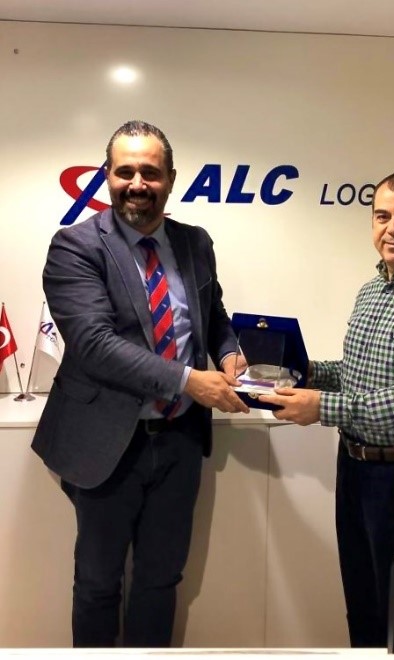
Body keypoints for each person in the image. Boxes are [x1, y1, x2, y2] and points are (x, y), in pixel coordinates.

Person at [32, 120, 249, 648]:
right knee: (98, 584)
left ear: (170, 179)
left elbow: (212, 313)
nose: (137, 184)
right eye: (125, 171)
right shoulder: (75, 246)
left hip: (178, 442)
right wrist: (188, 381)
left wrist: (228, 351)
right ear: (107, 175)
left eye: (150, 172)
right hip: (106, 443)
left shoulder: (195, 242)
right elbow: (94, 344)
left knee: (161, 580)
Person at [259, 172, 394, 648]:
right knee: (362, 607)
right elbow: (358, 374)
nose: (393, 228)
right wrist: (301, 370)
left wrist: (322, 407)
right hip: (356, 469)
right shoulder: (372, 290)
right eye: (383, 216)